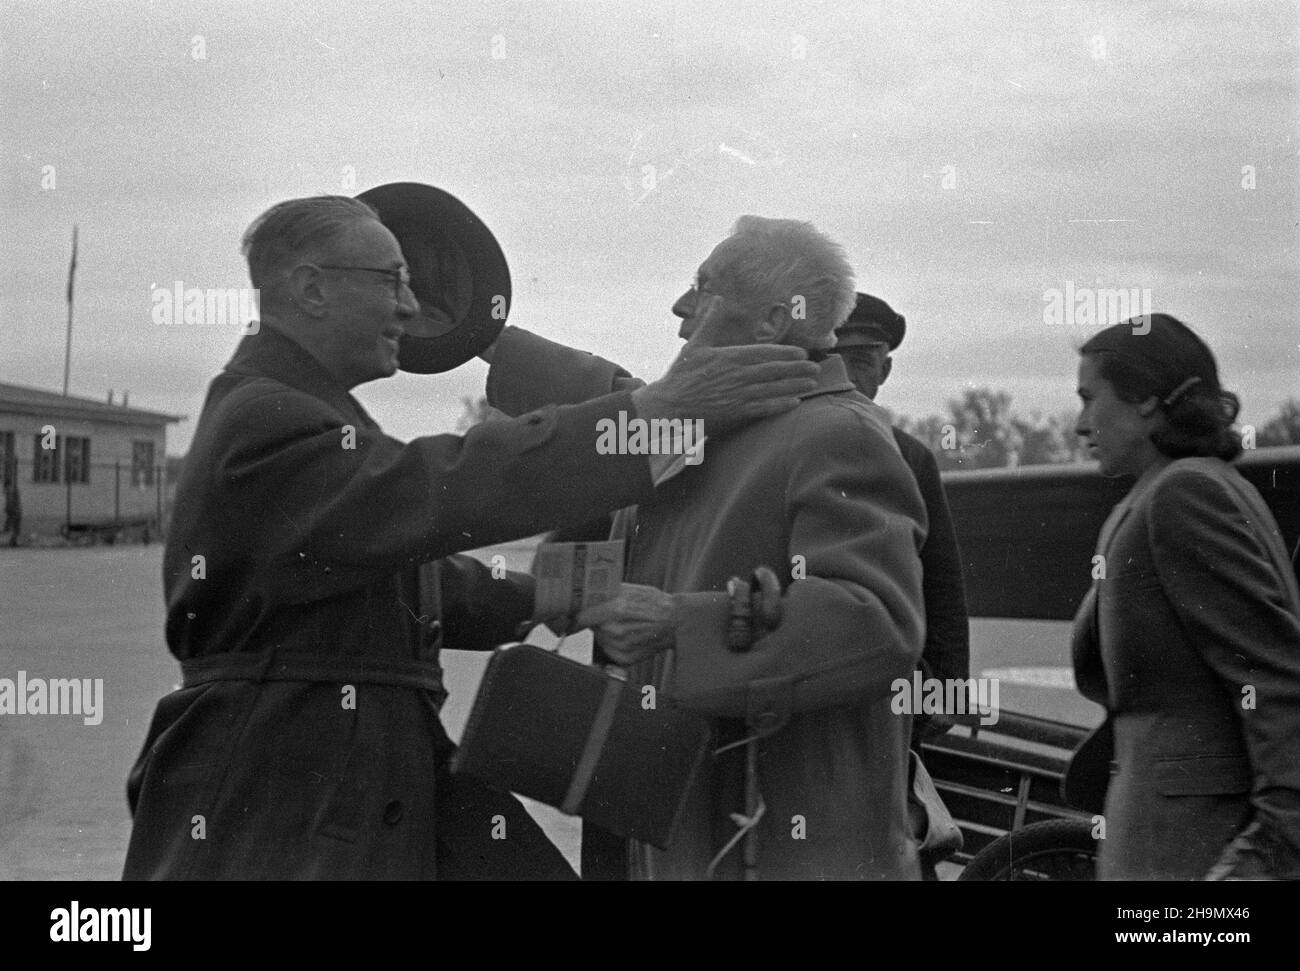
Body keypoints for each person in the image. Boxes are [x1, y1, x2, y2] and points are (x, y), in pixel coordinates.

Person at [121, 194, 821, 880]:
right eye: (393, 281)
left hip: (349, 762)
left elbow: (415, 580)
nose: (408, 305)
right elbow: (437, 488)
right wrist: (643, 418)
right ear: (310, 289)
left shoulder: (304, 409)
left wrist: (569, 597)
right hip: (288, 784)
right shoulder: (267, 417)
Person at [485, 216, 929, 879]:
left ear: (772, 321)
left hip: (781, 839)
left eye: (704, 286)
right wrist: (573, 591)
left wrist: (674, 622)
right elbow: (614, 416)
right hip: (686, 821)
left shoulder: (836, 432)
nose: (680, 306)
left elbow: (881, 622)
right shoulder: (705, 429)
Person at [1070, 313, 1300, 880]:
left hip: (1193, 858)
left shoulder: (1184, 495)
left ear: (1146, 397)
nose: (1080, 424)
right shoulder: (1182, 491)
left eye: (1089, 397)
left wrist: (1270, 852)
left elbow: (1273, 680)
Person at [834, 292, 969, 877]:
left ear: (885, 370)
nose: (847, 371)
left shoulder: (909, 457)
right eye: (835, 355)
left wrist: (944, 687)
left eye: (863, 358)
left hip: (887, 696)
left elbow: (941, 584)